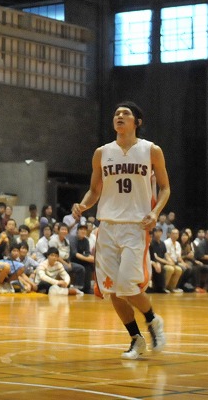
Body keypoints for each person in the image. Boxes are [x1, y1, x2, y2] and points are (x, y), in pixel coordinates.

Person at [71, 101, 170, 360]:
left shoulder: (151, 150)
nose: (119, 116)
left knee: (127, 285)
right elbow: (94, 190)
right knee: (112, 290)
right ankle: (136, 339)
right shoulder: (102, 153)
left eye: (126, 113)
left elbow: (165, 187)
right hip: (107, 226)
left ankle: (153, 320)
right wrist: (83, 204)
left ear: (137, 122)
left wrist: (155, 212)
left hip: (136, 226)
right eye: (116, 113)